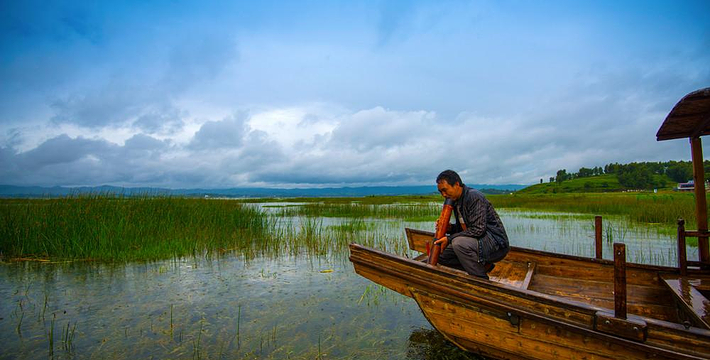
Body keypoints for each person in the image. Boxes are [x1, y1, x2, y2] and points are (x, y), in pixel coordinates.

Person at [433, 170, 509, 279]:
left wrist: (449, 239)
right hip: (477, 241)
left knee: (458, 243)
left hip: (495, 244)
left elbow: (478, 229)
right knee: (440, 253)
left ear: (456, 184)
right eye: (441, 192)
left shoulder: (474, 197)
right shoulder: (455, 201)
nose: (443, 195)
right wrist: (450, 228)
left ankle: (480, 280)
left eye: (445, 190)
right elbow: (464, 229)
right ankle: (482, 266)